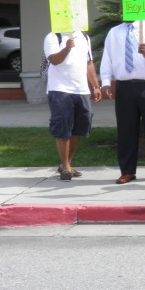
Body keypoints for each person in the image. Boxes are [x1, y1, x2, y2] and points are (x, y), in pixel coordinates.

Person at [100, 19, 145, 184]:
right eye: (122, 8)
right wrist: (105, 82)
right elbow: (107, 58)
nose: (124, 11)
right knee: (126, 130)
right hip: (124, 86)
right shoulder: (114, 32)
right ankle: (127, 171)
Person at [44, 31, 102, 181]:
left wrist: (95, 86)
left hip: (81, 89)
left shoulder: (84, 37)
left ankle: (66, 165)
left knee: (78, 129)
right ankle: (65, 167)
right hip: (60, 89)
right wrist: (66, 49)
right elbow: (54, 60)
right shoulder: (53, 37)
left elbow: (88, 63)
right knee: (62, 129)